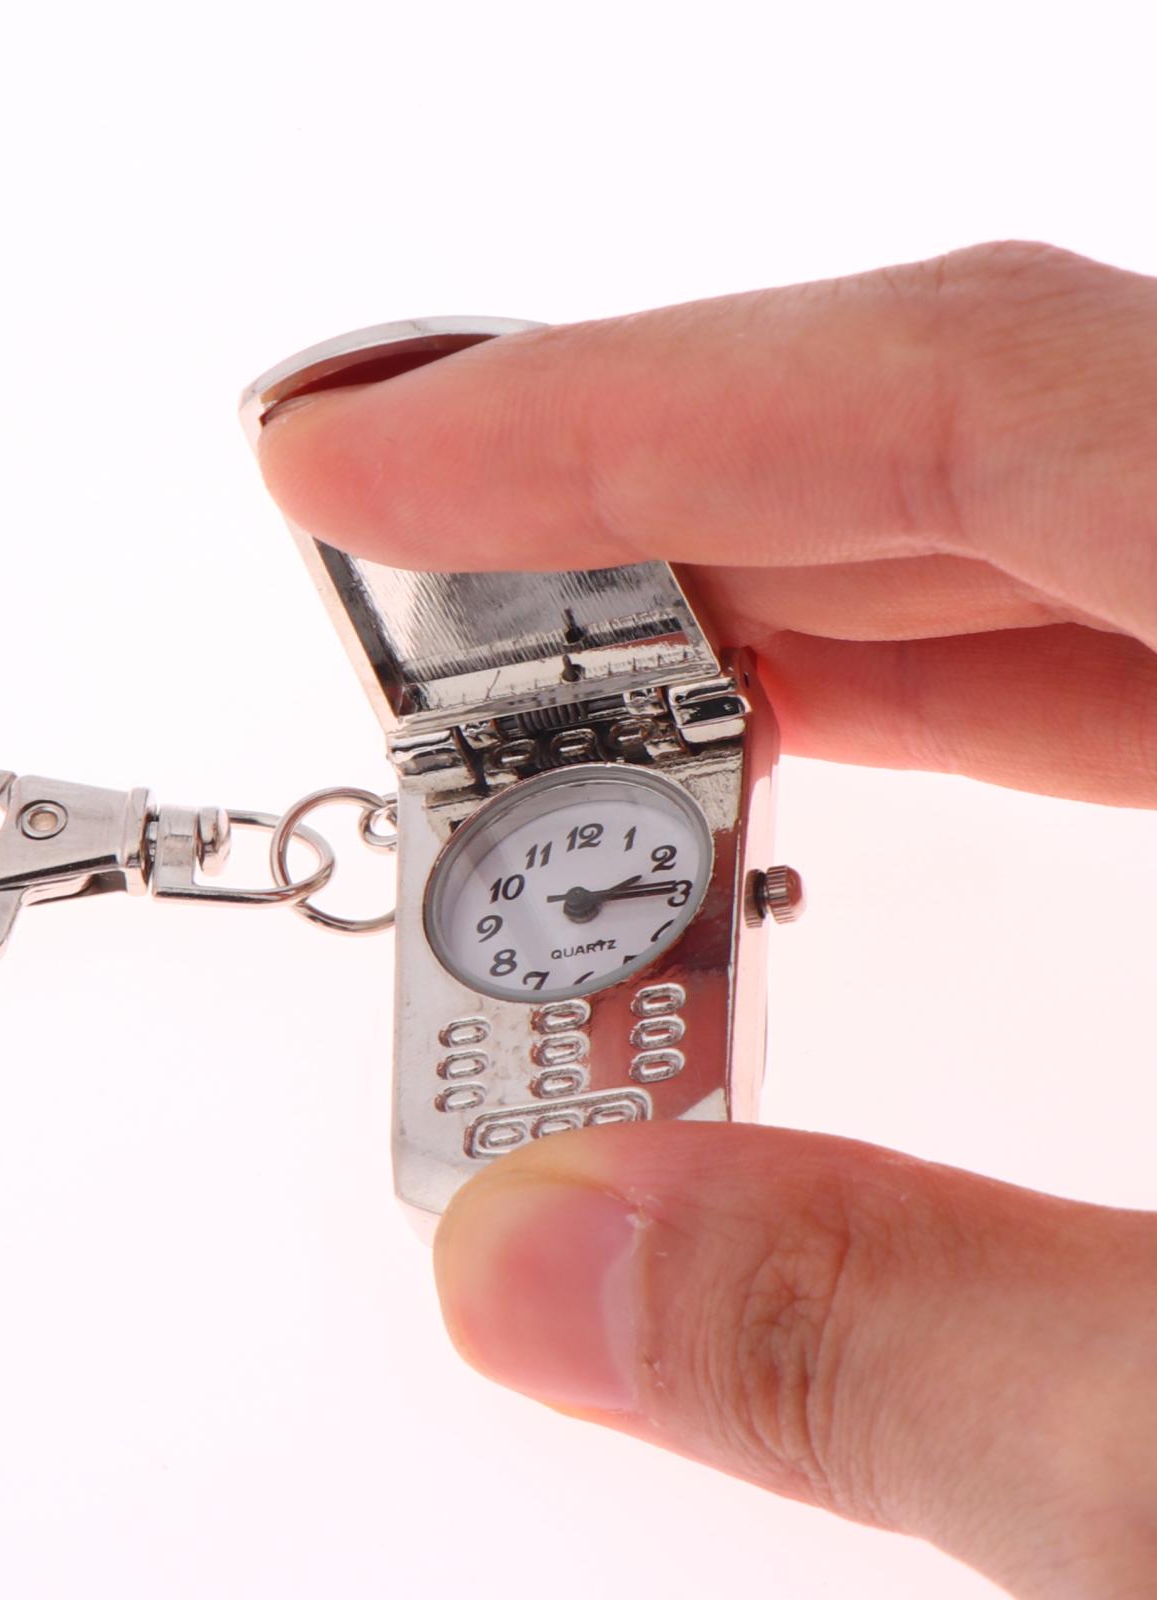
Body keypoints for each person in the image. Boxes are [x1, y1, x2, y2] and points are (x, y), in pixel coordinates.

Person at [255, 241, 1157, 1600]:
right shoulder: (464, 786)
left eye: (595, 890)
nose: (572, 905)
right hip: (512, 786)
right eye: (564, 896)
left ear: (753, 897)